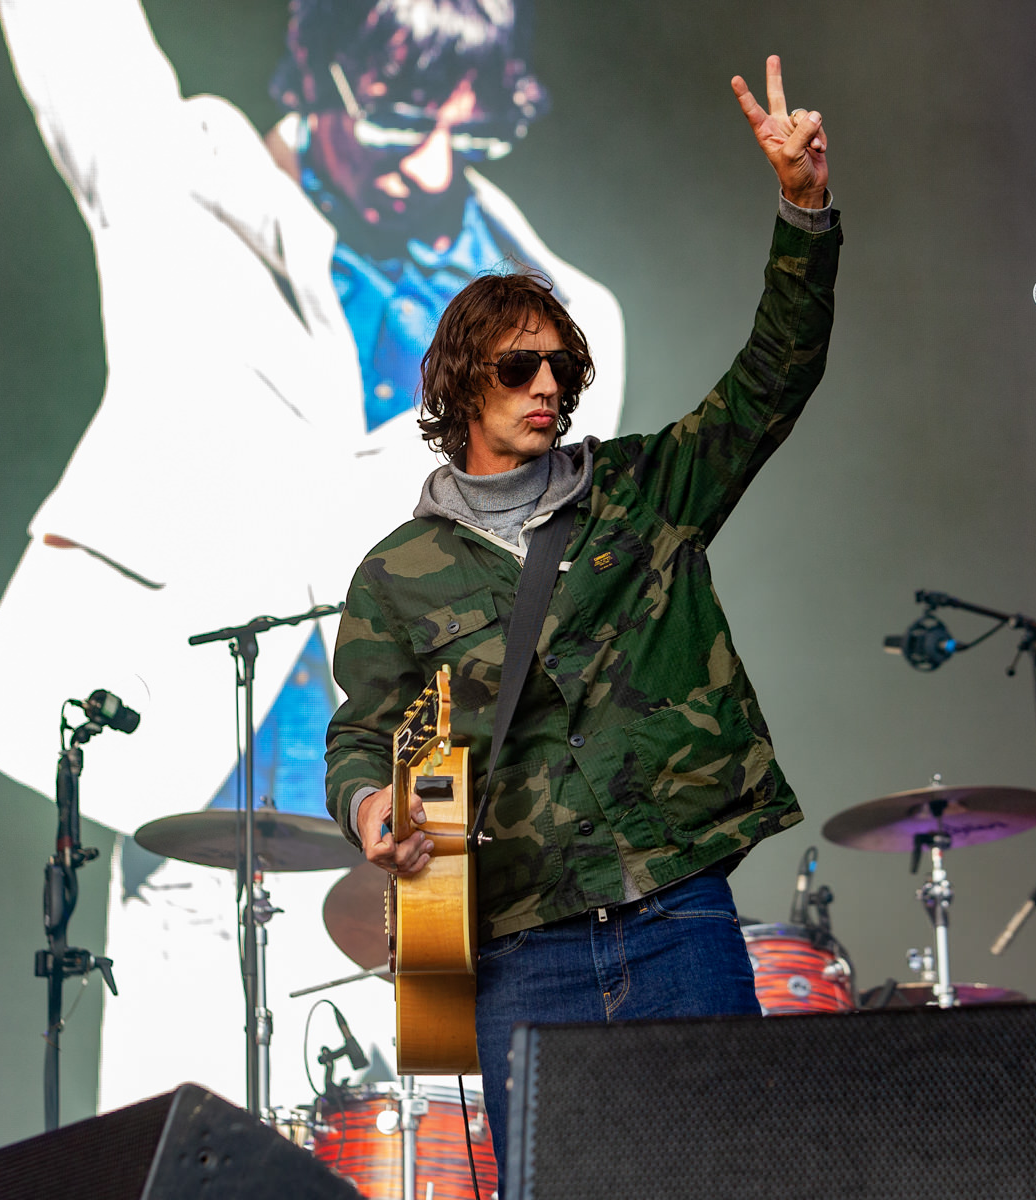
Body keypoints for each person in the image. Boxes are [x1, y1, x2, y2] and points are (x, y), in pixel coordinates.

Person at [0, 0, 624, 1110]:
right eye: (405, 120)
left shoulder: (558, 312)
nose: (436, 165)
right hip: (211, 799)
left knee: (431, 1154)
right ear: (322, 69)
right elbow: (78, 39)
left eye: (475, 131)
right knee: (186, 1153)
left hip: (428, 835)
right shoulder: (184, 189)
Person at [325, 55, 838, 1169]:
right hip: (521, 946)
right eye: (521, 365)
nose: (549, 383)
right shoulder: (398, 573)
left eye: (563, 364)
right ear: (462, 384)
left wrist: (803, 211)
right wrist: (373, 814)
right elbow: (360, 735)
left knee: (730, 1185)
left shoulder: (646, 490)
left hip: (677, 918)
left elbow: (771, 382)